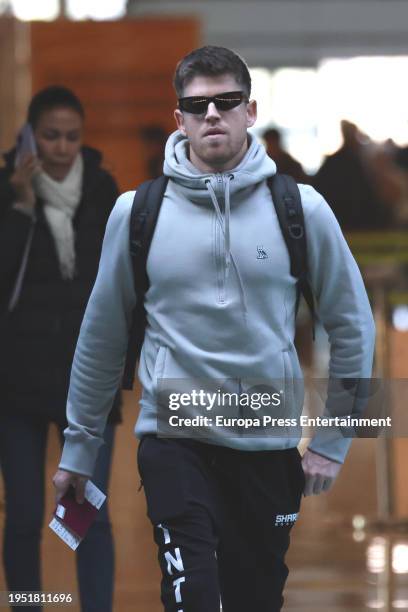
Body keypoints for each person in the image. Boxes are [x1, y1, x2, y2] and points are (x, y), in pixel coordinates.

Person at [53, 47, 375, 611]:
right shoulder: (138, 213)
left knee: (254, 599)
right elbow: (101, 337)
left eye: (226, 103)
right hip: (175, 445)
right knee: (193, 595)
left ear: (250, 111)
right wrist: (80, 448)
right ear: (179, 118)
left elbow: (352, 327)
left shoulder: (301, 209)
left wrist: (331, 440)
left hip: (267, 448)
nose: (212, 116)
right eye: (197, 105)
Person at [0, 86, 120, 612]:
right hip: (16, 381)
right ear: (29, 135)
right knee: (25, 516)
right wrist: (22, 208)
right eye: (51, 135)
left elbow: (122, 286)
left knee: (85, 514)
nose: (62, 147)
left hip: (86, 382)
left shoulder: (102, 190)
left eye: (72, 136)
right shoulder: (8, 190)